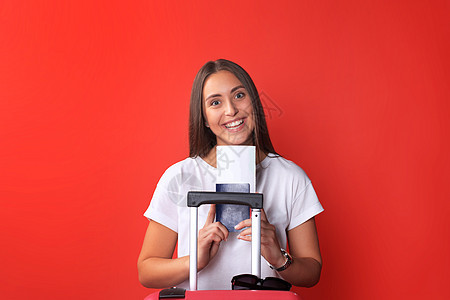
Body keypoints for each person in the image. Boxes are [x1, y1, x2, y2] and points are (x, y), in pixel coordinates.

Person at [137, 59, 324, 290]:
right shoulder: (179, 176)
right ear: (204, 118)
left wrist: (278, 257)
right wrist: (194, 260)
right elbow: (146, 271)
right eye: (215, 102)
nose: (231, 110)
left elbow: (312, 271)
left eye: (239, 96)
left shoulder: (291, 177)